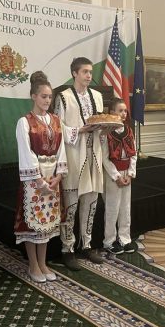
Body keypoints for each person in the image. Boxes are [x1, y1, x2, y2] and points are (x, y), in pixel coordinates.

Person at [14, 71, 67, 282]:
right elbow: (26, 152)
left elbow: (61, 149)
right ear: (33, 96)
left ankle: (43, 263)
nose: (47, 100)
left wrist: (59, 176)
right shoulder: (24, 122)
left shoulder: (56, 120)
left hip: (52, 178)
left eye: (50, 97)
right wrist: (38, 180)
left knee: (47, 222)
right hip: (34, 181)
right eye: (43, 96)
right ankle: (33, 265)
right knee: (33, 222)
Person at [54, 57, 104, 270]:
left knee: (91, 202)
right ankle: (67, 248)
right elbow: (57, 127)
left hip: (94, 155)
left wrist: (105, 128)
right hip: (74, 156)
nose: (89, 76)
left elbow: (101, 120)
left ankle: (87, 244)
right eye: (85, 72)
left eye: (90, 72)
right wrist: (79, 131)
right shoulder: (64, 98)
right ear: (74, 73)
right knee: (71, 205)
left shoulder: (97, 96)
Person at [101, 98, 137, 254]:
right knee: (112, 208)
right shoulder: (106, 133)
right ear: (112, 112)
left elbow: (133, 154)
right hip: (113, 176)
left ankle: (124, 238)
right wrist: (116, 176)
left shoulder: (128, 131)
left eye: (125, 111)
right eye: (120, 111)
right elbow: (105, 158)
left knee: (125, 208)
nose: (123, 114)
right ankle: (109, 241)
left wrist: (130, 173)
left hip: (126, 174)